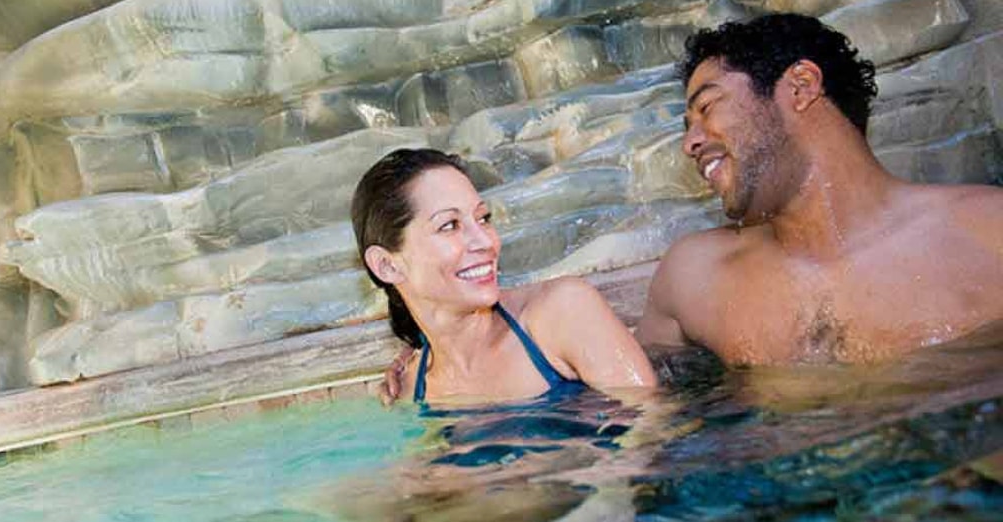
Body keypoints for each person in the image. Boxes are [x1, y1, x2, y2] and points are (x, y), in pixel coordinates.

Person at [635, 13, 1003, 367]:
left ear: (801, 86)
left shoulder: (989, 231)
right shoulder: (694, 280)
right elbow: (639, 410)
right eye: (687, 125)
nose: (689, 143)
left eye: (706, 106)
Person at [352, 148, 656, 404]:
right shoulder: (405, 392)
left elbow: (656, 426)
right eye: (450, 225)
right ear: (387, 266)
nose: (486, 241)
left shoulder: (560, 314)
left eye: (483, 218)